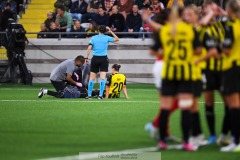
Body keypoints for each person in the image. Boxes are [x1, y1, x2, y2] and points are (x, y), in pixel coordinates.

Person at [152, 5, 202, 151]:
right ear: (182, 15)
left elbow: (154, 51)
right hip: (185, 73)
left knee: (165, 107)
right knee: (185, 107)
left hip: (169, 72)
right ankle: (186, 142)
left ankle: (162, 142)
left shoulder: (165, 30)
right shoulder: (190, 30)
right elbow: (198, 50)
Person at [220, 0, 240, 152]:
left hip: (232, 67)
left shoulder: (231, 27)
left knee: (233, 105)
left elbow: (226, 49)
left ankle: (236, 141)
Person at [85, 25, 119, 99]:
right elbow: (117, 39)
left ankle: (89, 95)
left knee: (92, 78)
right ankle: (100, 95)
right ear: (105, 31)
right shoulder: (107, 38)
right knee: (102, 78)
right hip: (103, 59)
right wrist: (110, 31)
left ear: (98, 30)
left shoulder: (94, 38)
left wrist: (86, 57)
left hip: (95, 58)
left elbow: (89, 47)